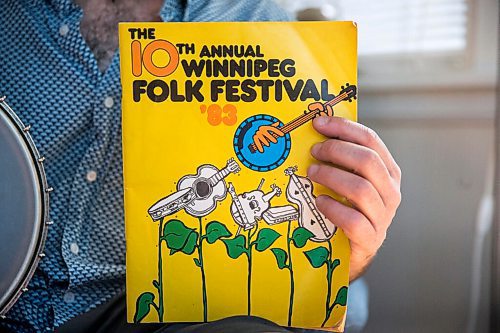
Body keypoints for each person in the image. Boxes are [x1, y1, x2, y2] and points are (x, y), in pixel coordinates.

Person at [0, 0, 401, 332]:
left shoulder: (256, 22)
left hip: (161, 314)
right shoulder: (12, 18)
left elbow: (297, 226)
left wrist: (348, 253)